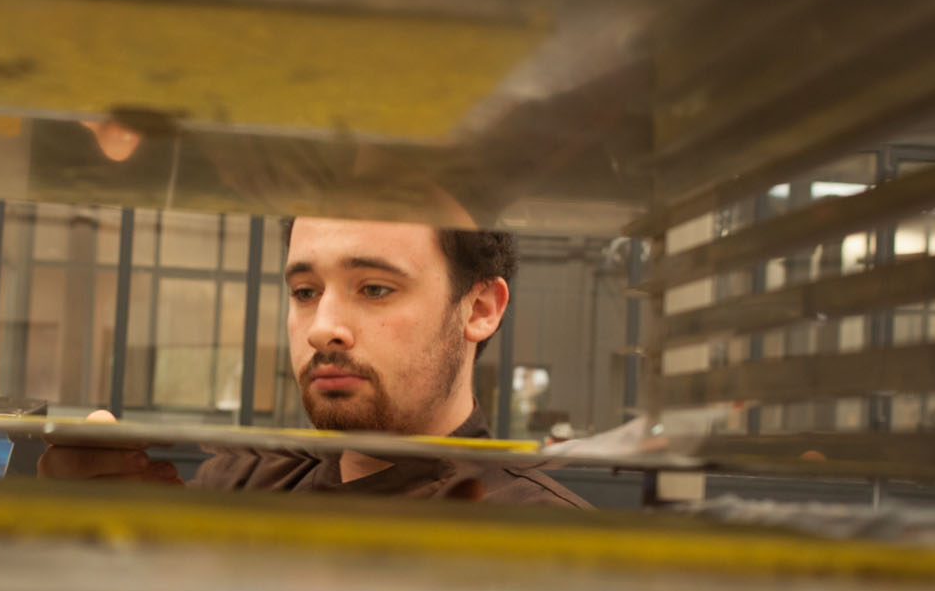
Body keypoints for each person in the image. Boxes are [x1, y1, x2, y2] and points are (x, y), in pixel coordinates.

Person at [40, 211, 590, 508]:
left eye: (375, 289)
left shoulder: (541, 537)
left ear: (480, 308)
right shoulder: (244, 482)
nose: (322, 328)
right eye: (305, 291)